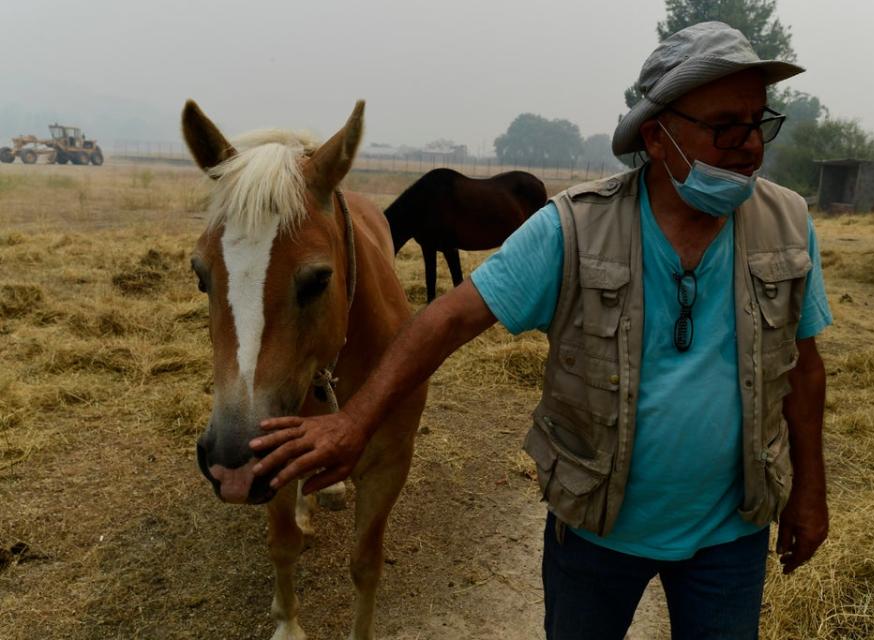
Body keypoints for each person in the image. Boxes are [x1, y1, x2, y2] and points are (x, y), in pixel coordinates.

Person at [250, 21, 832, 639]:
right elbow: (445, 321)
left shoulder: (787, 223)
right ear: (659, 138)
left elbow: (806, 371)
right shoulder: (573, 230)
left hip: (732, 542)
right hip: (596, 535)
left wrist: (810, 492)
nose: (750, 145)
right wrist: (352, 421)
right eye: (725, 127)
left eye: (759, 122)